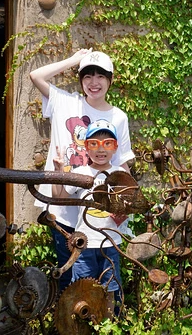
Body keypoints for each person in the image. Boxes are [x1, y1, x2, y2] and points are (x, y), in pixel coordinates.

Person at [30, 49, 134, 290]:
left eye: (100, 76)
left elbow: (122, 164)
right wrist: (74, 60)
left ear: (110, 80)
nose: (93, 82)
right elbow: (36, 76)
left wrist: (128, 202)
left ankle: (106, 313)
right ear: (80, 80)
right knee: (69, 278)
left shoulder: (118, 117)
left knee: (105, 278)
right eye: (87, 75)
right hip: (63, 208)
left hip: (97, 214)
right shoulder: (65, 102)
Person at [63, 119, 127, 315]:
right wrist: (58, 171)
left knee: (110, 288)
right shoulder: (80, 173)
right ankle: (85, 325)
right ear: (86, 147)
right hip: (85, 244)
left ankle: (109, 323)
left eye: (107, 143)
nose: (101, 149)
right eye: (94, 144)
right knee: (82, 289)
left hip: (111, 242)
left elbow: (130, 203)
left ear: (115, 147)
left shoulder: (120, 173)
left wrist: (123, 212)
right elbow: (61, 196)